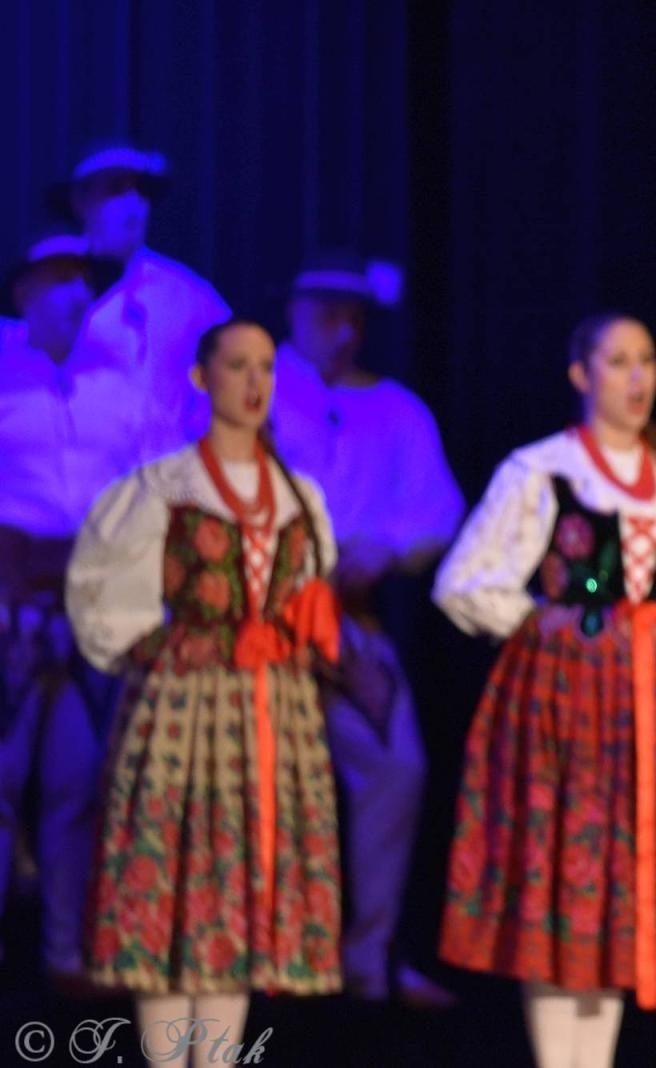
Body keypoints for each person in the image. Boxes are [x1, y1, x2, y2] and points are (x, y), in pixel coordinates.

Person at [432, 312, 656, 1068]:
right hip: (565, 703)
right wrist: (557, 628)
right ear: (581, 374)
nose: (637, 379)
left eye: (647, 360)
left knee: (621, 885)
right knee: (564, 872)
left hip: (655, 711)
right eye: (618, 362)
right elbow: (463, 582)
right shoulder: (542, 471)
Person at [65, 318, 343, 1065]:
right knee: (171, 887)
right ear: (201, 377)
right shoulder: (164, 486)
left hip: (272, 711)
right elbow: (101, 598)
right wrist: (156, 647)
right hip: (185, 706)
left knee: (236, 906)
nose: (255, 384)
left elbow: (309, 592)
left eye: (265, 368)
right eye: (237, 366)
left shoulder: (297, 495)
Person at [270, 252, 465, 1008]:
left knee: (397, 768)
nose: (341, 330)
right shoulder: (257, 383)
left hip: (349, 624)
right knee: (266, 778)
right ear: (294, 311)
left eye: (353, 316)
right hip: (258, 623)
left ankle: (369, 955)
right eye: (326, 312)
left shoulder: (396, 409)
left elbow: (436, 509)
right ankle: (273, 952)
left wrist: (386, 544)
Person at [0, 231, 141, 995]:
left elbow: (148, 487)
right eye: (61, 280)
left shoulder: (117, 384)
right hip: (7, 606)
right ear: (24, 292)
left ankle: (64, 954)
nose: (80, 295)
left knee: (77, 781)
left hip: (88, 610)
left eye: (86, 281)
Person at [50, 142, 231, 457]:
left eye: (141, 191)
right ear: (81, 202)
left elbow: (234, 376)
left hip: (169, 483)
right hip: (84, 480)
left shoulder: (188, 297)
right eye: (116, 190)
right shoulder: (52, 290)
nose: (133, 204)